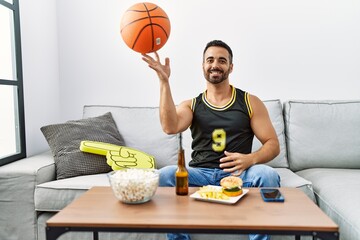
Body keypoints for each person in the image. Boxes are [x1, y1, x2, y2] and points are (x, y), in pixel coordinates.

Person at [142, 40, 281, 240]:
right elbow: (169, 127)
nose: (215, 64)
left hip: (239, 175)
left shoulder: (250, 102)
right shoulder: (192, 104)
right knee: (165, 174)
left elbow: (273, 144)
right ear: (203, 66)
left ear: (230, 67)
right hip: (200, 175)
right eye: (210, 60)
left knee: (267, 174)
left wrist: (251, 159)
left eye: (222, 60)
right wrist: (164, 81)